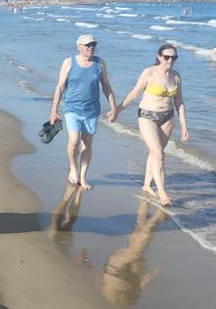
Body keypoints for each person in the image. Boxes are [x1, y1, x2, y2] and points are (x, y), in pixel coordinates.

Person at [114, 44, 189, 206]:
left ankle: (147, 185)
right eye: (167, 57)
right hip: (147, 116)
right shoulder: (149, 73)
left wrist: (184, 125)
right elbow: (134, 94)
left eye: (174, 57)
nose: (170, 60)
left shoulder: (176, 76)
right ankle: (162, 192)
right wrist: (117, 111)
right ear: (159, 56)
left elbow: (179, 101)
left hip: (167, 118)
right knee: (159, 154)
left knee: (156, 153)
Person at [49, 34, 117, 190]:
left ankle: (83, 176)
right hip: (72, 108)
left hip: (92, 110)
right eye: (87, 45)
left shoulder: (100, 64)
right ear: (79, 47)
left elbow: (106, 86)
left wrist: (113, 108)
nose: (91, 47)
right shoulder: (69, 62)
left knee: (87, 144)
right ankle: (73, 167)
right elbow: (60, 87)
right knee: (74, 141)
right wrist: (54, 111)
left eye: (93, 44)